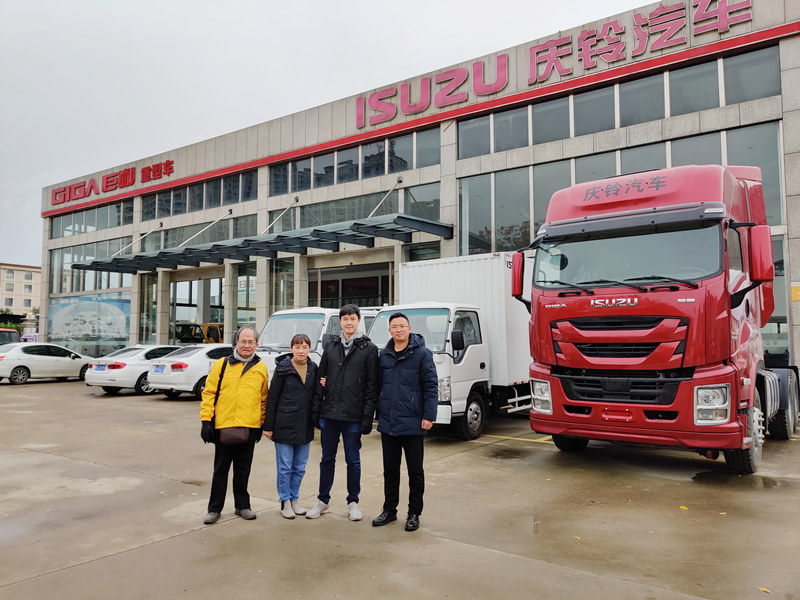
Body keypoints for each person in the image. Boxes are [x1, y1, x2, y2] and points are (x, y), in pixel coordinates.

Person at [307, 304, 379, 521]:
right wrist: (316, 410)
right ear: (340, 322)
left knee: (353, 460)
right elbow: (321, 381)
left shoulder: (369, 348)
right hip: (329, 414)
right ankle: (323, 501)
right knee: (326, 459)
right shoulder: (330, 346)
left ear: (358, 321)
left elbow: (372, 386)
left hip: (353, 416)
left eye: (352, 318)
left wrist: (367, 417)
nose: (348, 322)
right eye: (345, 319)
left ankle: (353, 502)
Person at [371, 312, 437, 532]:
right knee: (390, 470)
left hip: (413, 422)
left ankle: (414, 513)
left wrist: (429, 416)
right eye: (394, 327)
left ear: (409, 329)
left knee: (415, 470)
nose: (398, 330)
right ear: (389, 331)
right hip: (389, 422)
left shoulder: (423, 354)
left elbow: (430, 386)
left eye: (402, 326)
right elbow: (377, 386)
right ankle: (390, 510)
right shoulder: (384, 355)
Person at [199, 326, 268, 524]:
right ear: (236, 342)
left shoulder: (261, 368)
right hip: (224, 426)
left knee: (243, 469)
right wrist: (206, 421)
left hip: (249, 427)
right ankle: (214, 509)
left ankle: (243, 506)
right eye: (243, 341)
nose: (246, 345)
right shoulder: (222, 365)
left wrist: (261, 424)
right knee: (220, 470)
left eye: (251, 342)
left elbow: (263, 398)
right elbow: (209, 394)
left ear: (256, 344)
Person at [262, 334, 319, 519]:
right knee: (285, 466)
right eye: (297, 347)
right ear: (291, 348)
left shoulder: (313, 368)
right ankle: (285, 501)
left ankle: (295, 499)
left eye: (304, 347)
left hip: (304, 425)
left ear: (309, 348)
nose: (301, 350)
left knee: (300, 467)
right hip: (284, 424)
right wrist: (268, 426)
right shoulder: (283, 369)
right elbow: (272, 399)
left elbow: (318, 394)